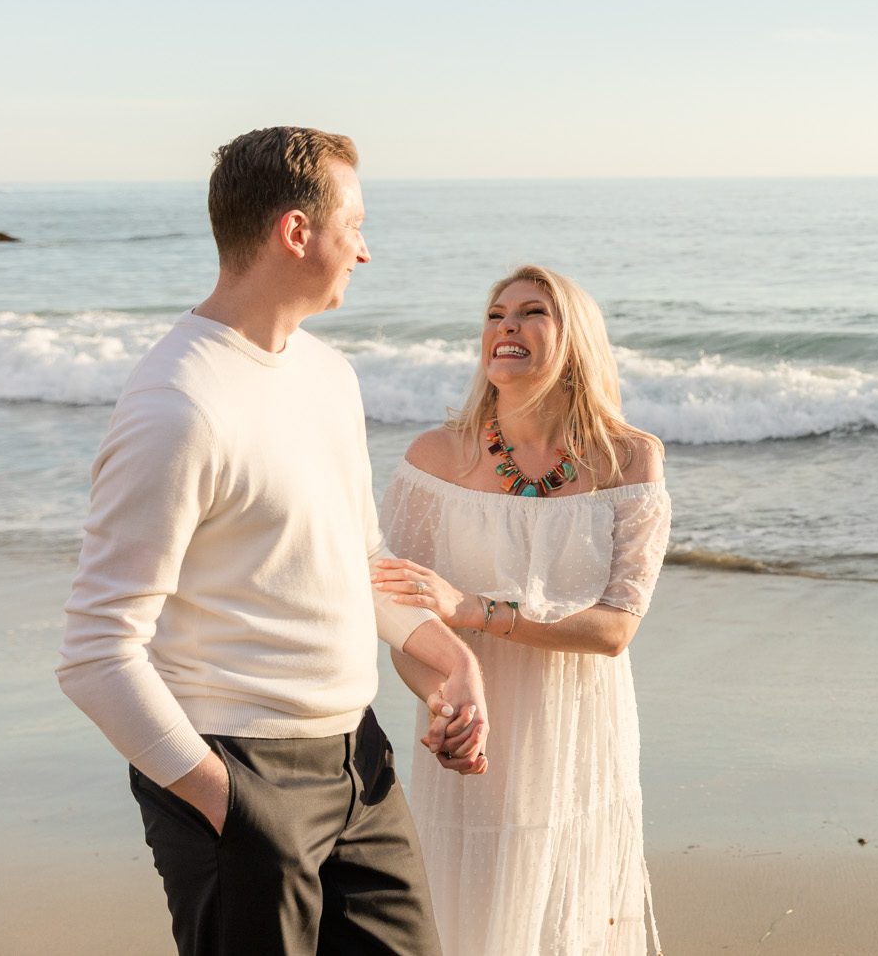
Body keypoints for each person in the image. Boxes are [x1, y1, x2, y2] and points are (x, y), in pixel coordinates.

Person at [57, 126, 491, 956]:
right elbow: (95, 652)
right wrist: (225, 802)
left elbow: (357, 560)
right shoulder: (176, 406)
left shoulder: (331, 374)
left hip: (361, 763)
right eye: (355, 226)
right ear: (297, 232)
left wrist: (451, 659)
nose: (365, 251)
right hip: (237, 770)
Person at [372, 264, 671, 956]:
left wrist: (474, 609)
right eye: (494, 313)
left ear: (574, 339)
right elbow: (401, 620)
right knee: (469, 921)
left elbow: (616, 628)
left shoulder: (629, 460)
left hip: (578, 732)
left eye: (532, 311)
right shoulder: (434, 457)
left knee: (569, 922)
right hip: (476, 731)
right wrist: (447, 700)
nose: (506, 325)